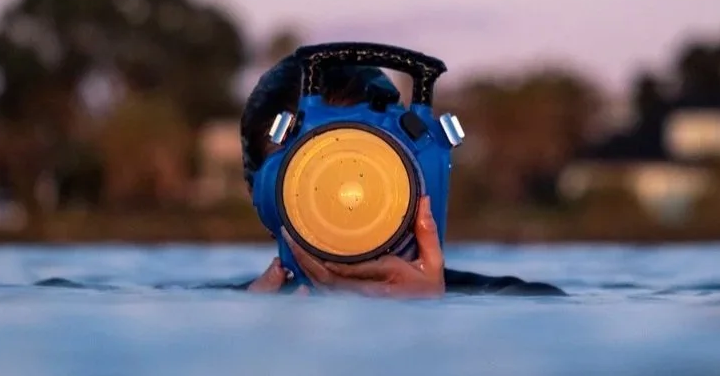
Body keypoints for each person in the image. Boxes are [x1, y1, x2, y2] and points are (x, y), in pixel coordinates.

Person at [235, 54, 565, 298]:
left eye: (366, 168)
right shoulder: (238, 311)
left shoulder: (523, 301)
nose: (345, 194)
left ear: (414, 173)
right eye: (311, 174)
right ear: (262, 195)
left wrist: (426, 312)